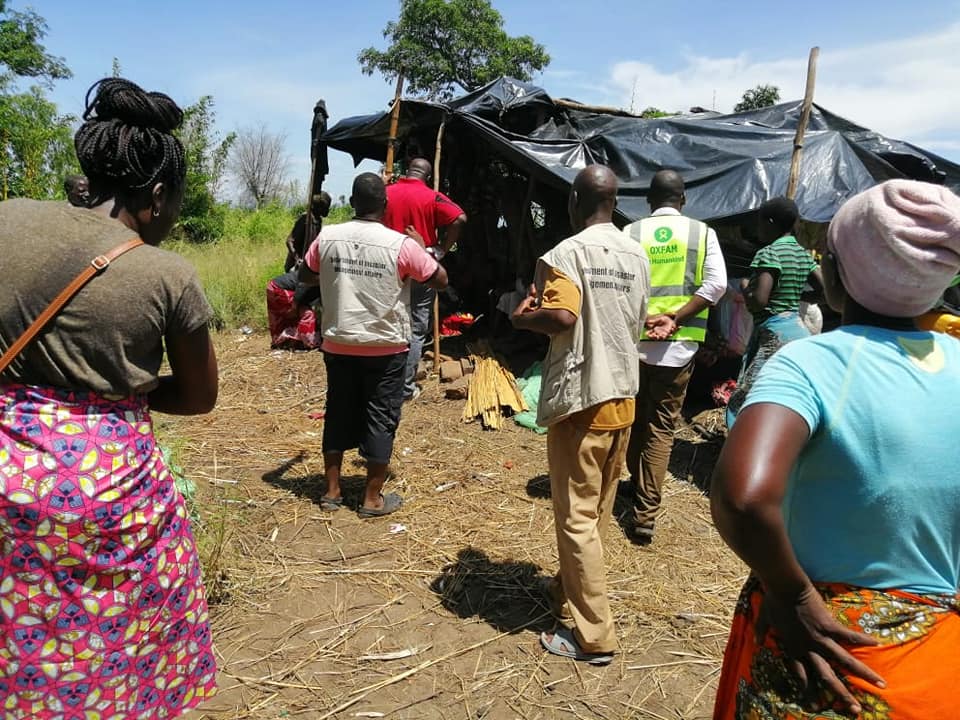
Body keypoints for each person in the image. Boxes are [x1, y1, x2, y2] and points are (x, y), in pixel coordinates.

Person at [0, 78, 218, 719]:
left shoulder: (8, 218)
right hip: (110, 493)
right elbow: (199, 396)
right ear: (155, 197)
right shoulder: (166, 273)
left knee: (19, 632)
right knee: (122, 639)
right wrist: (129, 391)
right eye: (175, 201)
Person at [711, 180, 960, 719]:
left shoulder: (813, 362)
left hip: (825, 660)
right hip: (937, 661)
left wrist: (793, 596)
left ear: (838, 274)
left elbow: (744, 497)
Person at [512, 165, 650, 664]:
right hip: (623, 399)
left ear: (575, 199)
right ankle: (564, 588)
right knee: (594, 515)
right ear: (613, 202)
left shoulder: (566, 254)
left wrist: (520, 316)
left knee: (574, 521)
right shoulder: (637, 255)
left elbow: (564, 317)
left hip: (583, 403)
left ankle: (595, 638)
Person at [299, 173, 448, 517]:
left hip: (339, 343)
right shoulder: (401, 245)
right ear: (385, 206)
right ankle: (371, 499)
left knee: (337, 413)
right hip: (386, 348)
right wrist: (421, 249)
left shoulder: (328, 237)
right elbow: (439, 279)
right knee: (381, 417)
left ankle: (332, 492)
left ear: (351, 203)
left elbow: (306, 274)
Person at [621, 170, 727, 543]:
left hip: (635, 343)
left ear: (649, 200)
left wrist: (646, 317)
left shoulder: (630, 233)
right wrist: (676, 318)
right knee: (661, 427)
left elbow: (620, 285)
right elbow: (716, 284)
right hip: (678, 346)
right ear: (682, 200)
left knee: (635, 419)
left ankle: (637, 487)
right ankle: (645, 512)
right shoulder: (702, 234)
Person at [725, 197, 821, 424]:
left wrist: (746, 287)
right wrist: (797, 296)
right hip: (798, 330)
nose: (757, 229)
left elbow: (759, 301)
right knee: (785, 392)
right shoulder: (802, 253)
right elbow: (823, 290)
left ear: (769, 222)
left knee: (747, 395)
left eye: (759, 223)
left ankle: (742, 444)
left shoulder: (768, 253)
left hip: (773, 335)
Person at [381, 158, 467, 401]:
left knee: (388, 323)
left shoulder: (387, 192)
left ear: (406, 171)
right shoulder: (432, 196)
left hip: (389, 266)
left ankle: (384, 380)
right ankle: (404, 389)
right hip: (420, 266)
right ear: (427, 177)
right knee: (417, 329)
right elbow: (460, 218)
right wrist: (440, 250)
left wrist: (382, 185)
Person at [285, 191, 332, 272]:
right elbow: (289, 241)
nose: (328, 210)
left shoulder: (318, 220)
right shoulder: (306, 218)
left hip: (306, 264)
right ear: (320, 207)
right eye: (327, 207)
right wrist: (297, 259)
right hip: (295, 266)